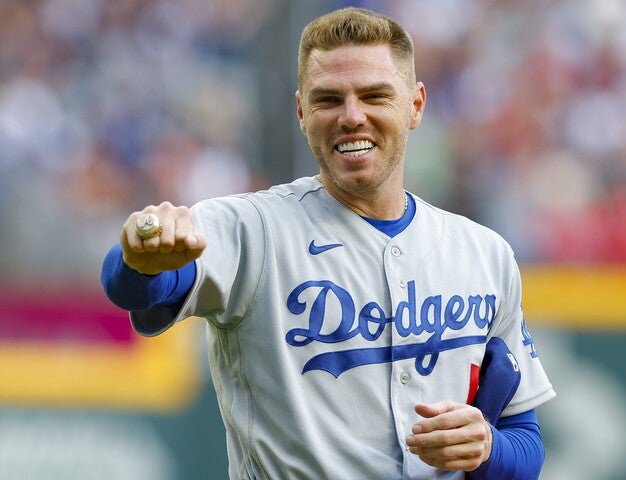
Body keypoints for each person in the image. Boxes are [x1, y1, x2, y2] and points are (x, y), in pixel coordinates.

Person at [101, 7, 555, 479]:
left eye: (375, 95)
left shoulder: (484, 253)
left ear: (416, 105)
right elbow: (136, 285)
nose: (352, 117)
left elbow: (526, 444)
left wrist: (486, 448)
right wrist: (141, 258)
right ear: (302, 112)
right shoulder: (252, 229)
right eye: (328, 100)